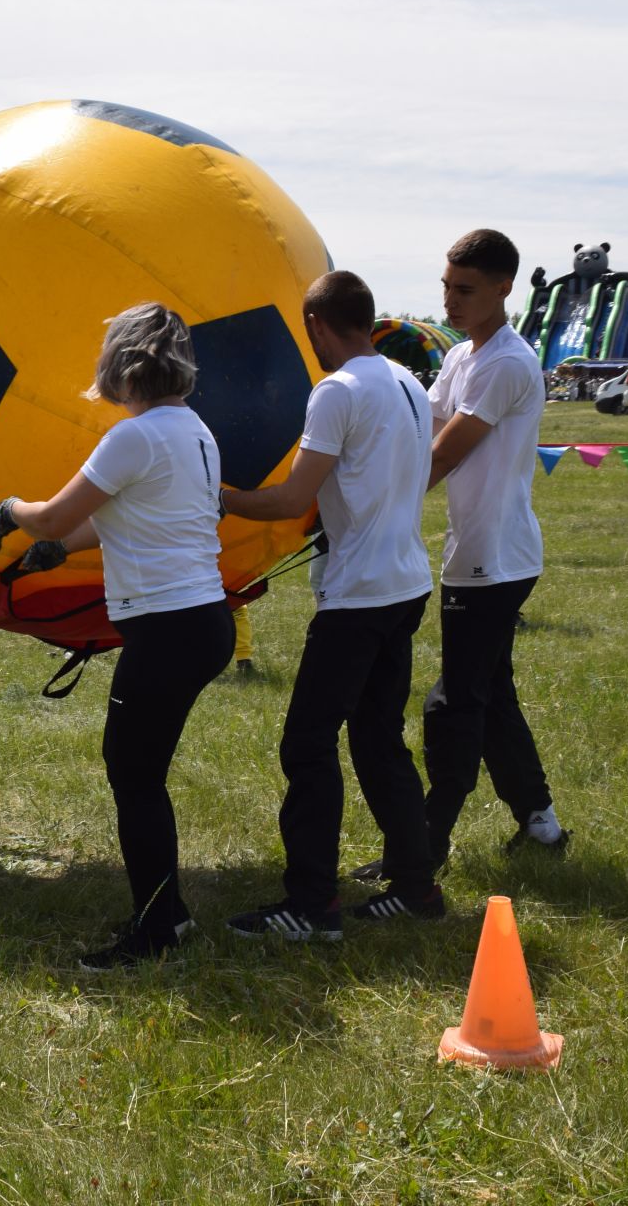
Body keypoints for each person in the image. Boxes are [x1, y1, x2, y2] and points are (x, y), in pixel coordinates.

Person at [0, 302, 233, 970]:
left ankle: (158, 928)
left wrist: (13, 510)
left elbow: (47, 516)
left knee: (133, 774)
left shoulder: (134, 436)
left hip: (169, 631)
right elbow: (123, 515)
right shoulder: (193, 430)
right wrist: (61, 550)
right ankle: (168, 914)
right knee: (138, 770)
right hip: (198, 623)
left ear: (121, 369)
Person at [221, 271, 440, 941]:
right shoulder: (406, 381)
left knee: (307, 745)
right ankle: (416, 886)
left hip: (361, 596)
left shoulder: (338, 390)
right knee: (378, 741)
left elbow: (291, 499)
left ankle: (312, 907)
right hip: (405, 583)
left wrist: (212, 490)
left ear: (318, 324)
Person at [358, 230, 566, 884]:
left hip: (493, 561)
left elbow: (446, 451)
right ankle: (541, 822)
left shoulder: (506, 362)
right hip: (479, 556)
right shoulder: (462, 358)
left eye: (464, 289)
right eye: (447, 285)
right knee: (491, 693)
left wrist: (379, 511)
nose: (449, 299)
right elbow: (421, 424)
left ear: (504, 288)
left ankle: (424, 843)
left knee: (454, 703)